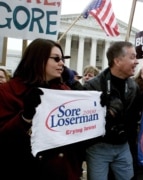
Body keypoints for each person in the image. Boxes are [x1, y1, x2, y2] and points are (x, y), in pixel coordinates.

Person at [0, 38, 85, 180]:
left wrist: (97, 115)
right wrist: (25, 117)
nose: (62, 63)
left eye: (62, 59)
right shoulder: (7, 92)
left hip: (63, 172)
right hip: (24, 170)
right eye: (56, 59)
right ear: (38, 59)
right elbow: (4, 138)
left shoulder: (65, 91)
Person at [82, 41, 143, 180]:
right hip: (98, 148)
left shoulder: (133, 86)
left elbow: (140, 114)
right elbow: (83, 120)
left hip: (123, 146)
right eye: (132, 57)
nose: (136, 62)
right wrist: (105, 113)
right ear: (117, 61)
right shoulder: (93, 85)